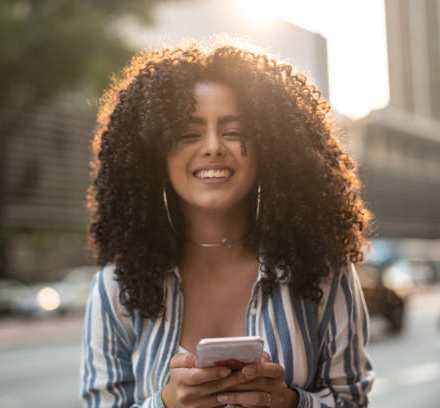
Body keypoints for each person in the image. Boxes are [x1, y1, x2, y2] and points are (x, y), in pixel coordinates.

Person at [81, 41, 374, 408]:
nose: (213, 146)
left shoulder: (323, 270)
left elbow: (353, 401)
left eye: (234, 131)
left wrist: (287, 402)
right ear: (154, 153)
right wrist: (166, 404)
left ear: (270, 146)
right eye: (189, 134)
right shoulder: (116, 287)